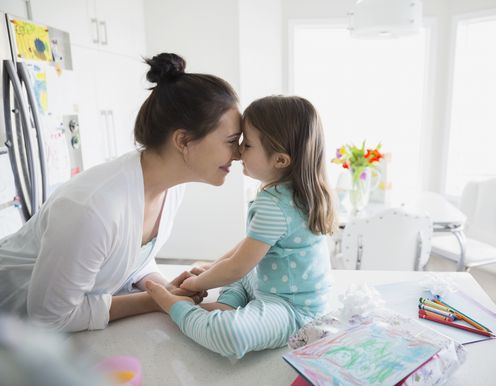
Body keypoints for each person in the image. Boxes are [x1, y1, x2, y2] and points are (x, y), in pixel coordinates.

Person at [0, 53, 241, 332]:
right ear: (183, 140)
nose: (238, 154)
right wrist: (153, 300)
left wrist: (163, 288)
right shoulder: (92, 208)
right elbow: (49, 318)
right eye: (232, 141)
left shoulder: (169, 187)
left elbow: (131, 257)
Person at [145, 95, 336, 359]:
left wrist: (193, 285)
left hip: (294, 310)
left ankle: (174, 306)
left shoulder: (275, 204)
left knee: (231, 334)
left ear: (280, 160)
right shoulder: (291, 193)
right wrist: (213, 270)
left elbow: (237, 266)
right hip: (272, 286)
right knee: (236, 273)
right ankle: (226, 304)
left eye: (247, 145)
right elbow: (247, 249)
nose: (237, 152)